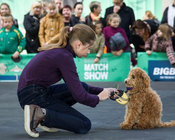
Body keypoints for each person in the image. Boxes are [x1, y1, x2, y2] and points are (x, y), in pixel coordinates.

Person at [17, 24, 116, 138]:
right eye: (88, 47)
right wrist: (98, 98)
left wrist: (104, 90)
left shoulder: (61, 52)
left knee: (83, 86)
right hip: (32, 96)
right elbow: (80, 96)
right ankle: (40, 114)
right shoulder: (64, 56)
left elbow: (78, 87)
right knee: (84, 125)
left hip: (32, 92)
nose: (89, 51)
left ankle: (44, 117)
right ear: (78, 44)